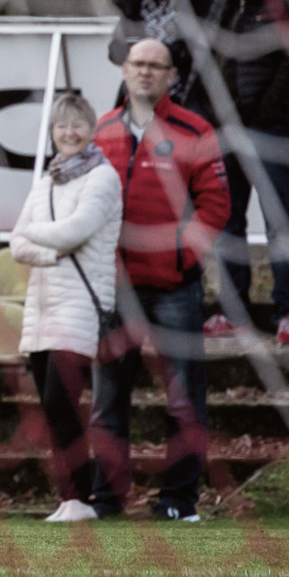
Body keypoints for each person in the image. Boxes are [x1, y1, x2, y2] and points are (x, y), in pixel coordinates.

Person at [90, 38, 230, 522]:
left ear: (172, 75)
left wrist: (179, 255)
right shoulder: (102, 129)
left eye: (156, 66)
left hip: (175, 287)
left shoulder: (196, 130)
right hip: (114, 290)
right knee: (108, 400)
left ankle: (179, 501)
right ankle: (106, 500)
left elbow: (216, 206)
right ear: (124, 71)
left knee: (183, 400)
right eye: (138, 64)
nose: (146, 73)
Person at [9, 95, 123, 522]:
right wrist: (48, 249)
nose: (69, 133)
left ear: (92, 129)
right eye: (61, 126)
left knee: (62, 398)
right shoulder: (46, 181)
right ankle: (70, 499)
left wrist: (36, 234)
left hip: (80, 305)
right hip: (41, 309)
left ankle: (83, 499)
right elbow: (16, 245)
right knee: (53, 406)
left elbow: (77, 230)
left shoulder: (103, 178)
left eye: (77, 125)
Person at [207, 0, 289, 345]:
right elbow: (214, 58)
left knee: (279, 223)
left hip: (270, 131)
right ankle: (234, 313)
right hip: (227, 130)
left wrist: (264, 114)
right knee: (227, 222)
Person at [106, 0, 216, 122]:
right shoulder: (135, 2)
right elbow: (114, 50)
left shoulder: (198, 1)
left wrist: (165, 55)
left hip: (186, 92)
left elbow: (207, 53)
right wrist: (135, 54)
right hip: (140, 92)